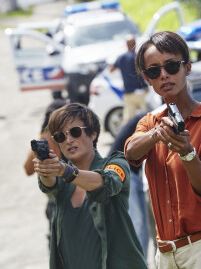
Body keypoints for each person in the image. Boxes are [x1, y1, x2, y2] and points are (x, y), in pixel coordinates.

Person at [124, 31, 201, 269]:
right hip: (167, 256)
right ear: (147, 79)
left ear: (187, 68)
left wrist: (188, 154)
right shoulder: (151, 122)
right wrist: (156, 134)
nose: (164, 75)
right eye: (153, 71)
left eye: (171, 66)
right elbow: (130, 152)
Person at [32, 103, 147, 269]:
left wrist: (65, 171)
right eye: (60, 137)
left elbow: (107, 183)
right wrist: (45, 167)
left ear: (93, 133)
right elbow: (48, 184)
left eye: (75, 132)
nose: (69, 140)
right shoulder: (61, 178)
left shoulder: (116, 162)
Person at [107, 111, 151, 262]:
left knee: (139, 223)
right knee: (138, 222)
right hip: (122, 173)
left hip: (127, 173)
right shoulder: (147, 120)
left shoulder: (142, 118)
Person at [24, 99, 67, 243]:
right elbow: (28, 169)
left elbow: (27, 169)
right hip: (63, 195)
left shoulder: (43, 138)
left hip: (57, 198)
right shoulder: (68, 136)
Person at [110, 34, 148, 124]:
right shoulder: (138, 56)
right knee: (147, 116)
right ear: (135, 43)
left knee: (128, 118)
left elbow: (111, 69)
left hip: (128, 93)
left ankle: (126, 136)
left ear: (126, 44)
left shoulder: (121, 57)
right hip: (140, 92)